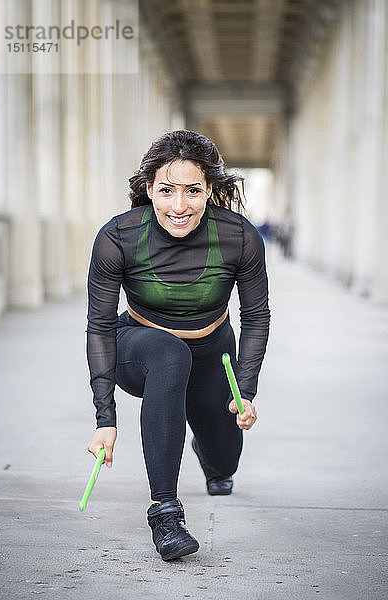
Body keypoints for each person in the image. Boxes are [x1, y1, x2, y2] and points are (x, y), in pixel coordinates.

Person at [85, 130, 270, 561]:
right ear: (148, 188)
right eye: (166, 190)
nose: (179, 205)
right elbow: (97, 325)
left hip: (213, 352)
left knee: (225, 466)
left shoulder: (240, 237)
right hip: (141, 346)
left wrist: (245, 391)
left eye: (193, 190)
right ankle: (166, 513)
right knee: (170, 353)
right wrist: (104, 417)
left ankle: (208, 448)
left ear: (210, 189)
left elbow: (256, 317)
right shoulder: (118, 237)